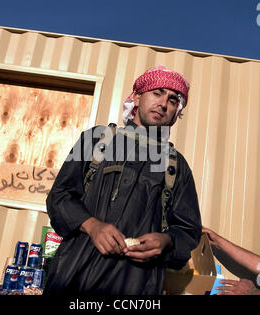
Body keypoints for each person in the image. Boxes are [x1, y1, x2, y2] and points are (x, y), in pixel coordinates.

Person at [44, 65, 202, 295]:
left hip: (136, 286)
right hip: (72, 278)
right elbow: (59, 197)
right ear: (138, 97)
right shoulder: (95, 140)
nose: (164, 104)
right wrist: (92, 226)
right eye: (157, 93)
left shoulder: (176, 165)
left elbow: (189, 231)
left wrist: (166, 242)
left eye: (173, 100)